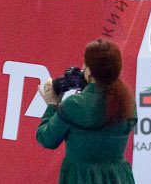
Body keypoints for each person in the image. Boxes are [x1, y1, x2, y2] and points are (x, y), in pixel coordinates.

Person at [34, 38, 136, 183]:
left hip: (80, 178)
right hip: (118, 178)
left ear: (89, 71)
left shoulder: (74, 104)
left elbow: (47, 139)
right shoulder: (127, 102)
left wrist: (52, 105)